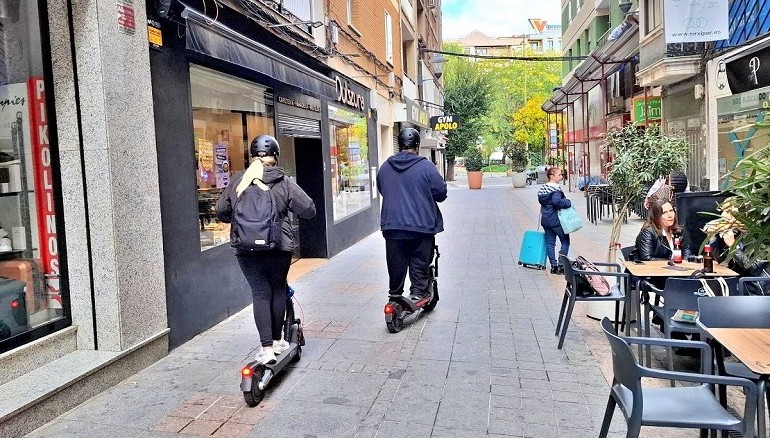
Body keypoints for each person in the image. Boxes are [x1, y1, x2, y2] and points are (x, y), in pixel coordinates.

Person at [216, 135, 316, 364]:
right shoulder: (283, 181)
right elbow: (309, 209)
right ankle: (278, 340)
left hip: (245, 248)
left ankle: (266, 349)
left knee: (260, 292)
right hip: (278, 247)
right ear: (275, 156)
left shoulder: (238, 180)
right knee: (277, 289)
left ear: (252, 156)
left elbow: (221, 211)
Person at [377, 127, 447, 300]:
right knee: (419, 261)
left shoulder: (385, 167)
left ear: (399, 145)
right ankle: (417, 293)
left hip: (392, 225)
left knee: (396, 263)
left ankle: (395, 295)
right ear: (417, 146)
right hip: (421, 226)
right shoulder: (427, 167)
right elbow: (441, 194)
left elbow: (383, 189)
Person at [538, 166, 571, 274]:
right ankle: (561, 265)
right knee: (565, 241)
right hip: (556, 220)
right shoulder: (555, 189)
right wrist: (568, 202)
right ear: (552, 176)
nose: (561, 176)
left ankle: (553, 266)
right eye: (559, 174)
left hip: (546, 220)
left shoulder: (543, 188)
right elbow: (557, 202)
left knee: (550, 243)